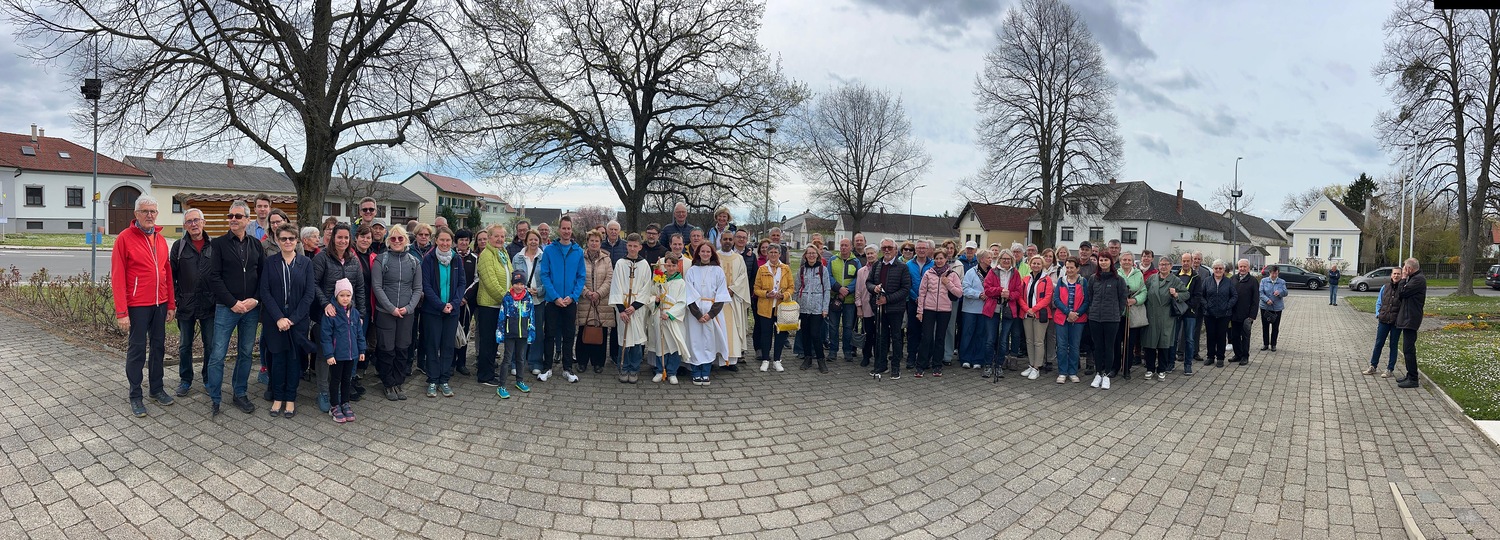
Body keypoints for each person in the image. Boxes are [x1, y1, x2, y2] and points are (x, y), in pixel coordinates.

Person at [111, 195, 177, 417]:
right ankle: (135, 395)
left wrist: (170, 304)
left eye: (153, 211)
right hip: (137, 305)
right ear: (136, 214)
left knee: (158, 348)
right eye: (145, 211)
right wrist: (122, 312)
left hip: (160, 304)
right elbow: (117, 277)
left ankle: (156, 389)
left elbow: (167, 273)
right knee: (137, 350)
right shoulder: (124, 238)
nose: (150, 215)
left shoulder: (160, 239)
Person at [204, 200, 263, 416]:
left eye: (238, 216)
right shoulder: (218, 244)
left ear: (248, 219)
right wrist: (232, 302)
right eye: (230, 216)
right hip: (226, 308)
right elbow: (214, 277)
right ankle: (215, 398)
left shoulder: (256, 245)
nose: (233, 220)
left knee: (246, 353)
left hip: (251, 309)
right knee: (218, 354)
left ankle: (240, 393)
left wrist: (255, 300)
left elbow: (263, 276)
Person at [260, 223, 316, 419]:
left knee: (293, 361)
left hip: (297, 322)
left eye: (291, 238)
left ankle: (290, 398)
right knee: (277, 360)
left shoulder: (306, 263)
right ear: (277, 240)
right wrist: (279, 318)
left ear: (296, 240)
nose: (288, 242)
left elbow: (309, 294)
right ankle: (278, 397)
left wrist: (291, 320)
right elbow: (265, 292)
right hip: (275, 322)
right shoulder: (270, 262)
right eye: (283, 238)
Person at [311, 223, 366, 413]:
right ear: (333, 238)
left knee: (344, 354)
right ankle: (323, 392)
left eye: (346, 237)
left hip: (347, 316)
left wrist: (360, 314)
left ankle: (340, 392)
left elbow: (359, 288)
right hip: (324, 314)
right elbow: (313, 284)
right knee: (324, 354)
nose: (343, 241)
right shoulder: (321, 258)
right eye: (339, 237)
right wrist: (325, 304)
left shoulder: (354, 261)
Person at [372, 225, 423, 401]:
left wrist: (409, 308)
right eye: (393, 238)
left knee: (402, 349)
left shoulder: (414, 262)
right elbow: (377, 286)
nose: (397, 241)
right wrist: (390, 308)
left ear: (406, 240)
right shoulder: (381, 260)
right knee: (387, 349)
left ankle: (398, 382)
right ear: (388, 241)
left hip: (406, 314)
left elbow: (418, 288)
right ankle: (388, 383)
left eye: (400, 238)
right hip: (385, 312)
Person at [170, 208, 214, 398]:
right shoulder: (178, 246)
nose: (193, 224)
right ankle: (185, 380)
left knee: (210, 345)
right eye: (189, 221)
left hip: (209, 304)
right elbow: (171, 276)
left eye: (196, 220)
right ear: (184, 226)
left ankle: (208, 379)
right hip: (186, 304)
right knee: (185, 346)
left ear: (203, 222)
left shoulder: (214, 246)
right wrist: (177, 298)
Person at [419, 227, 467, 398]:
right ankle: (433, 380)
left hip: (452, 311)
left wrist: (453, 304)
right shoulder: (428, 259)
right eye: (442, 240)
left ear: (452, 242)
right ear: (436, 240)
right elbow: (426, 285)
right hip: (432, 311)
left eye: (448, 240)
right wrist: (440, 305)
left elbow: (461, 283)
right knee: (432, 345)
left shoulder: (456, 259)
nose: (445, 243)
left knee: (447, 346)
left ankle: (444, 380)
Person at [539, 216, 587, 382]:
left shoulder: (578, 251)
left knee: (568, 335)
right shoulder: (549, 250)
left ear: (572, 230)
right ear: (559, 230)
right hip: (553, 301)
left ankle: (567, 368)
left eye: (569, 228)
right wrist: (555, 297)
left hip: (570, 301)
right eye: (564, 228)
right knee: (549, 334)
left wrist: (573, 297)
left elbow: (581, 276)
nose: (566, 231)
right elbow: (545, 275)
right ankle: (547, 367)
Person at [684, 242, 732, 383]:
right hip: (695, 312)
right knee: (695, 341)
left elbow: (721, 294)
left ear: (712, 254)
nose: (705, 254)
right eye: (703, 251)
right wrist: (698, 314)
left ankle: (706, 372)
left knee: (709, 342)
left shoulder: (718, 271)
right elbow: (688, 293)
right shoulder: (692, 271)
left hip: (712, 311)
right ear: (698, 253)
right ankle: (695, 372)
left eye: (708, 252)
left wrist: (710, 314)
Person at [321, 278, 365, 423]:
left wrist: (362, 350)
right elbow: (326, 336)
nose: (345, 298)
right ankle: (334, 405)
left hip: (351, 355)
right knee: (335, 380)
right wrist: (329, 354)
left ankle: (345, 403)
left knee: (347, 379)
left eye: (348, 295)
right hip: (337, 355)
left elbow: (359, 334)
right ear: (336, 296)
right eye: (342, 295)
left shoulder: (355, 313)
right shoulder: (331, 314)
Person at [610, 234, 653, 383]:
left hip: (638, 308)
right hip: (623, 306)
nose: (633, 249)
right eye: (630, 246)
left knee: (636, 339)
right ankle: (623, 367)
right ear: (626, 246)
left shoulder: (644, 264)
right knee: (623, 337)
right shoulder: (620, 263)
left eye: (635, 246)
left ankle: (634, 369)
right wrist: (621, 309)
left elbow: (647, 288)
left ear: (640, 247)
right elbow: (615, 286)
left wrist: (635, 306)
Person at [868, 239, 913, 380]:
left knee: (896, 338)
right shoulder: (877, 265)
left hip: (895, 309)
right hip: (879, 308)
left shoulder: (902, 267)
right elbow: (868, 282)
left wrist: (887, 299)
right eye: (884, 248)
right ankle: (881, 365)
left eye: (889, 247)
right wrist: (874, 288)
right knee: (881, 336)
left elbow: (905, 289)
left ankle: (895, 367)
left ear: (895, 249)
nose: (886, 250)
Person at [474, 224, 513, 387]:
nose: (500, 239)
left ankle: (490, 370)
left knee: (494, 341)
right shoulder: (486, 255)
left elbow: (510, 275)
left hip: (501, 305)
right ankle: (484, 375)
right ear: (489, 237)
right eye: (496, 236)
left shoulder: (503, 253)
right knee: (487, 341)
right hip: (489, 306)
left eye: (502, 236)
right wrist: (507, 299)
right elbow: (490, 282)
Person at [915, 248, 963, 378]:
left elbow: (959, 293)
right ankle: (921, 365)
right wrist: (920, 311)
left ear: (946, 259)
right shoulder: (928, 273)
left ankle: (937, 365)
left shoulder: (952, 274)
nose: (939, 261)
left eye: (941, 258)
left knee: (940, 338)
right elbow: (922, 293)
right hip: (929, 309)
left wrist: (948, 284)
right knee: (926, 337)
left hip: (944, 310)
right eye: (936, 258)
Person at [575, 231, 615, 374]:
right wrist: (586, 292)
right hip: (585, 299)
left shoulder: (606, 259)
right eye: (591, 240)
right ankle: (582, 362)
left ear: (600, 242)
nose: (594, 243)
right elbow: (576, 277)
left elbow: (610, 279)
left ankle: (598, 362)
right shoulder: (580, 258)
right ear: (587, 242)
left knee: (600, 331)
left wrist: (598, 293)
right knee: (583, 330)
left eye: (597, 241)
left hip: (601, 300)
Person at [1084, 254, 1126, 389]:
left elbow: (1122, 299)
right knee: (1098, 347)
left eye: (1106, 260)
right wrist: (1092, 311)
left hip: (1112, 319)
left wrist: (1117, 313)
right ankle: (1098, 373)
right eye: (1101, 260)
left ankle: (1106, 375)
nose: (1103, 262)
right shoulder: (1093, 279)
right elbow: (1090, 296)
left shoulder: (1118, 280)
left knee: (1109, 347)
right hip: (1095, 318)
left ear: (1111, 262)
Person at [753, 245, 795, 372]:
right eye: (770, 252)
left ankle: (777, 360)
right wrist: (766, 294)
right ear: (767, 254)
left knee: (780, 334)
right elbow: (756, 289)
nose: (773, 254)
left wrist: (784, 295)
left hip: (781, 307)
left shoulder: (785, 268)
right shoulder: (762, 269)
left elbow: (791, 287)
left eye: (775, 252)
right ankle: (765, 359)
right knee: (765, 334)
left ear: (780, 254)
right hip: (765, 307)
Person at [512, 230, 548, 378]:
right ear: (526, 241)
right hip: (521, 299)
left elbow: (548, 277)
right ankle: (516, 362)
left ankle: (536, 362)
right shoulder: (518, 257)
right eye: (531, 239)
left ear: (539, 241)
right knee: (519, 331)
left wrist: (539, 291)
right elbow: (513, 277)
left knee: (537, 332)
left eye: (536, 239)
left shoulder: (544, 257)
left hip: (538, 300)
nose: (533, 242)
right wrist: (522, 290)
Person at [982, 250, 1023, 378]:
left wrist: (1009, 295)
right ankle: (988, 365)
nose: (1006, 261)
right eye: (1004, 258)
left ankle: (999, 365)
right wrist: (1000, 291)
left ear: (1012, 260)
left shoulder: (1015, 273)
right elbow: (987, 289)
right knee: (990, 339)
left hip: (1008, 310)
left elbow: (1018, 291)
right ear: (999, 259)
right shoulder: (993, 272)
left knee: (1003, 340)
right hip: (993, 310)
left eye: (1008, 259)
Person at [496, 270, 536, 398]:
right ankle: (501, 385)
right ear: (512, 284)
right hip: (510, 333)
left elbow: (532, 316)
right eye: (516, 283)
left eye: (521, 284)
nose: (519, 286)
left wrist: (531, 333)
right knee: (507, 359)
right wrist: (500, 333)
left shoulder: (528, 298)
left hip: (523, 333)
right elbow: (502, 316)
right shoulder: (507, 298)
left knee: (521, 358)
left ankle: (520, 381)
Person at [653, 252, 691, 384]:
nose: (670, 268)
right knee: (661, 344)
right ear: (664, 266)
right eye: (668, 265)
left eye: (673, 265)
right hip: (660, 314)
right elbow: (652, 295)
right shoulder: (659, 280)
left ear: (677, 266)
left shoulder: (681, 283)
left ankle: (672, 372)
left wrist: (670, 314)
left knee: (674, 344)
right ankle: (659, 370)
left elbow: (682, 302)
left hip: (673, 317)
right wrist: (656, 301)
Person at [1142, 256, 1182, 382]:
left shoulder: (1175, 280)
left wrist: (1176, 294)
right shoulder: (1152, 278)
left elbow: (1186, 294)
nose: (1163, 267)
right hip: (1151, 315)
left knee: (1164, 344)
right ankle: (1150, 369)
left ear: (1171, 266)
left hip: (1166, 316)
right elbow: (1144, 291)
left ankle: (1162, 370)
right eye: (1161, 264)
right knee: (1150, 343)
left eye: (1166, 264)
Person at [794, 245, 831, 372]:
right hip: (803, 307)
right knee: (805, 334)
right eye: (809, 253)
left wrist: (825, 308)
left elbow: (827, 289)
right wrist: (795, 306)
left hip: (817, 307)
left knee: (815, 334)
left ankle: (821, 359)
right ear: (805, 256)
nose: (811, 255)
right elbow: (796, 289)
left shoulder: (822, 269)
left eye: (813, 253)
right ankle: (807, 358)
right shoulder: (801, 270)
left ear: (817, 255)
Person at [1051, 257, 1088, 384]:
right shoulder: (1061, 281)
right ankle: (1062, 372)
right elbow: (1056, 300)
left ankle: (1072, 372)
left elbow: (1086, 301)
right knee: (1061, 346)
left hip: (1078, 319)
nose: (1069, 270)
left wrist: (1077, 314)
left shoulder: (1083, 281)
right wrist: (1068, 312)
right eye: (1067, 267)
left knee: (1074, 346)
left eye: (1072, 267)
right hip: (1062, 317)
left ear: (1077, 268)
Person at [718, 233, 751, 369]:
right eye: (725, 239)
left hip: (733, 299)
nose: (727, 241)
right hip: (718, 300)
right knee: (719, 328)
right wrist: (721, 291)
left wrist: (732, 289)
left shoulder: (739, 258)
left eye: (730, 239)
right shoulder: (715, 256)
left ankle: (731, 361)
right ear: (720, 240)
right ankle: (717, 359)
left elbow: (743, 276)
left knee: (733, 330)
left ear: (733, 241)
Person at [1018, 254, 1053, 380]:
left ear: (1042, 265)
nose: (1036, 265)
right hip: (1027, 313)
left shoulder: (1047, 279)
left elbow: (1048, 297)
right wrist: (1027, 309)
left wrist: (1034, 309)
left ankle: (1037, 367)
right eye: (1034, 263)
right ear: (1030, 264)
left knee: (1038, 341)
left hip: (1040, 314)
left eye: (1038, 263)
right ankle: (1031, 364)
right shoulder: (1026, 279)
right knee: (1029, 340)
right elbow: (1020, 297)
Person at [1362, 266, 1401, 377]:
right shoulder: (1385, 287)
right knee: (1379, 343)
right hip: (1383, 320)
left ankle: (1390, 369)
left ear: (1401, 275)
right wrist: (1378, 314)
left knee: (1393, 345)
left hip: (1396, 322)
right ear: (1391, 275)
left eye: (1398, 274)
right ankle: (1373, 366)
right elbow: (1379, 302)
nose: (1396, 276)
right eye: (1394, 273)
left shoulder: (1403, 289)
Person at [959, 250, 994, 371]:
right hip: (970, 309)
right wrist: (978, 294)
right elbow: (965, 289)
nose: (991, 260)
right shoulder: (971, 272)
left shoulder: (992, 272)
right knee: (968, 333)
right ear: (982, 259)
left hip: (985, 309)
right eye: (988, 258)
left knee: (981, 334)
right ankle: (965, 358)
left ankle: (978, 359)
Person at [828, 238, 861, 363]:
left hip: (849, 301)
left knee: (848, 327)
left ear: (851, 247)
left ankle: (847, 351)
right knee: (833, 326)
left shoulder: (856, 261)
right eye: (842, 245)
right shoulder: (833, 260)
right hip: (835, 298)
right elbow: (828, 276)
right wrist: (838, 288)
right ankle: (833, 351)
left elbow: (858, 278)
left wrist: (847, 290)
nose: (843, 247)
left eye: (846, 245)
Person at [1396, 258, 1427, 388]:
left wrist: (1403, 278)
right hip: (1408, 317)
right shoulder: (1414, 278)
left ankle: (1413, 378)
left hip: (1411, 318)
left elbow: (1402, 292)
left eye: (1405, 267)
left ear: (1409, 268)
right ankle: (1410, 374)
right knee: (1407, 349)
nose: (1403, 269)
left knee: (1408, 349)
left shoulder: (1418, 279)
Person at [1170, 253, 1203, 376]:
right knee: (1173, 339)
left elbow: (1198, 296)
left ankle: (1188, 365)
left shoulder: (1196, 277)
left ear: (1191, 261)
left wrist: (1187, 306)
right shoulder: (1175, 276)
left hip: (1190, 312)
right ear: (1181, 261)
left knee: (1189, 339)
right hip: (1176, 312)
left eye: (1188, 261)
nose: (1185, 263)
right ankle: (1171, 363)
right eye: (1184, 261)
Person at [1201, 260, 1237, 368]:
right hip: (1209, 314)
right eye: (1216, 268)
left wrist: (1227, 306)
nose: (1218, 270)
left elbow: (1234, 296)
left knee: (1221, 336)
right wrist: (1207, 306)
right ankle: (1210, 357)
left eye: (1220, 268)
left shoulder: (1228, 282)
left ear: (1224, 270)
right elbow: (1201, 296)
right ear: (1213, 269)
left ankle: (1220, 358)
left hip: (1224, 314)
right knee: (1210, 336)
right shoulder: (1207, 281)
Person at [453, 229, 478, 378]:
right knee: (450, 331)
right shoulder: (451, 256)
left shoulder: (474, 258)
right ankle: (450, 362)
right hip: (452, 301)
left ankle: (461, 363)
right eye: (461, 239)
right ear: (456, 241)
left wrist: (465, 296)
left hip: (466, 302)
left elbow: (477, 279)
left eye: (466, 239)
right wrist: (455, 298)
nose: (463, 242)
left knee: (465, 330)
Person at [1118, 251, 1147, 379]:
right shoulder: (1116, 273)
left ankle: (1126, 368)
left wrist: (1134, 300)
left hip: (1132, 312)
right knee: (1116, 342)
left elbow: (1143, 291)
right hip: (1118, 313)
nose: (1127, 262)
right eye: (1124, 260)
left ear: (1133, 262)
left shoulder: (1138, 274)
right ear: (1120, 261)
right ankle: (1115, 366)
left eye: (1129, 260)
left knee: (1129, 343)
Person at [904, 241, 933, 371]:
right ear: (915, 250)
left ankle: (925, 358)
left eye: (924, 248)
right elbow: (906, 284)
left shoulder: (933, 264)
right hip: (913, 302)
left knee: (926, 332)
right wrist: (916, 297)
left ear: (928, 250)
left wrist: (925, 299)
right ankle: (911, 357)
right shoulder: (908, 265)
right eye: (919, 248)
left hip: (929, 303)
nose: (921, 250)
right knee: (912, 331)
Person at [1229, 259, 1259, 366]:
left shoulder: (1253, 281)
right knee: (1234, 336)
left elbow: (1256, 300)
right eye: (1240, 266)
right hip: (1234, 314)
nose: (1242, 268)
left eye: (1244, 266)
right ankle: (1237, 354)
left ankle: (1245, 356)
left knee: (1245, 337)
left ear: (1248, 268)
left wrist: (1252, 316)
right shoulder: (1233, 279)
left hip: (1247, 316)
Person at [854, 246, 879, 367]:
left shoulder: (881, 269)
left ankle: (878, 356)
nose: (870, 255)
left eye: (872, 253)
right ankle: (866, 356)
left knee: (879, 334)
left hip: (879, 306)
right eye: (868, 254)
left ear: (877, 254)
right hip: (866, 306)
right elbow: (858, 290)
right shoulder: (861, 271)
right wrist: (859, 307)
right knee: (868, 333)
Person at [1260, 265, 1288, 353]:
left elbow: (1286, 292)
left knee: (1275, 327)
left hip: (1277, 308)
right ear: (1269, 273)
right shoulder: (1264, 281)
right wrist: (1266, 300)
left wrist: (1280, 292)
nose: (1274, 275)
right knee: (1265, 326)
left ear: (1278, 273)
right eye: (1272, 273)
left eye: (1276, 273)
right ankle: (1265, 344)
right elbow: (1260, 293)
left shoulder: (1281, 282)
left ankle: (1273, 344)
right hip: (1265, 307)